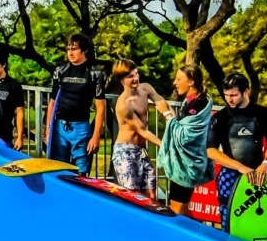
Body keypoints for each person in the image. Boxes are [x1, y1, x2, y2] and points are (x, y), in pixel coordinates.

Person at [207, 73, 267, 234]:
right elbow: (211, 151)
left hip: (257, 172)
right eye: (226, 95)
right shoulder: (220, 117)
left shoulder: (263, 113)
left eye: (233, 95)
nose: (229, 99)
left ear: (246, 91)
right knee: (229, 221)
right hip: (230, 174)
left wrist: (266, 163)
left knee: (257, 219)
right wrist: (239, 167)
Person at [45, 33, 108, 175]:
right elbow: (52, 102)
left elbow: (100, 107)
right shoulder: (60, 71)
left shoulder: (95, 73)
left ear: (84, 50)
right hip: (60, 125)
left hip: (81, 127)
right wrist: (48, 127)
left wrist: (96, 135)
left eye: (74, 49)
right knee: (58, 168)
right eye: (68, 49)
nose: (70, 53)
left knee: (81, 170)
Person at [111, 58, 172, 197]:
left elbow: (162, 103)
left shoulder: (145, 88)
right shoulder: (123, 105)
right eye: (130, 76)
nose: (135, 78)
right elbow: (142, 130)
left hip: (142, 151)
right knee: (132, 196)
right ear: (121, 80)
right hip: (125, 152)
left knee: (151, 194)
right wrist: (165, 146)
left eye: (136, 74)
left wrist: (171, 118)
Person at [158, 64, 214, 215]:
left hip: (186, 166)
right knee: (184, 209)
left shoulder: (196, 104)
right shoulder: (194, 101)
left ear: (190, 82)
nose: (174, 83)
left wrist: (166, 114)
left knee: (176, 212)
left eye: (178, 79)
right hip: (188, 164)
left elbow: (184, 137)